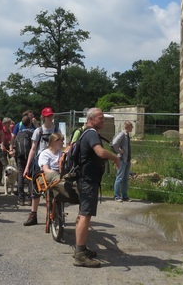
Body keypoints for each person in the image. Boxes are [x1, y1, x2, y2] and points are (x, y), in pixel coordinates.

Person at [74, 108, 119, 267]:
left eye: (103, 118)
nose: (103, 121)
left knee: (83, 214)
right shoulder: (92, 133)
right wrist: (115, 158)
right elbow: (100, 152)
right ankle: (79, 255)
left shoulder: (87, 132)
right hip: (88, 181)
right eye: (100, 118)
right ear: (91, 119)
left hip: (86, 180)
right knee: (85, 215)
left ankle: (82, 248)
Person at [22, 106, 59, 226]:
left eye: (51, 115)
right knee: (36, 189)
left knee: (56, 187)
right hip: (39, 162)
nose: (50, 118)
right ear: (43, 117)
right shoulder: (38, 131)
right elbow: (33, 149)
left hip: (54, 161)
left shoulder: (57, 129)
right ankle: (33, 215)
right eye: (48, 116)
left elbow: (61, 145)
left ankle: (56, 213)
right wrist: (27, 167)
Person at [13, 113, 35, 206]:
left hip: (20, 157)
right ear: (30, 122)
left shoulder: (19, 133)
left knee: (21, 176)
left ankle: (21, 199)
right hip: (30, 157)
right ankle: (30, 198)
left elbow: (16, 145)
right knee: (30, 177)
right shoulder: (33, 132)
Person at [112, 121, 133, 202]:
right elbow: (114, 143)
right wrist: (119, 151)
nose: (132, 128)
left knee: (125, 178)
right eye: (131, 127)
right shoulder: (122, 134)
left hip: (127, 159)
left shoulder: (127, 135)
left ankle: (124, 195)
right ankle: (117, 196)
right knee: (119, 178)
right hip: (122, 159)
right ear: (128, 127)